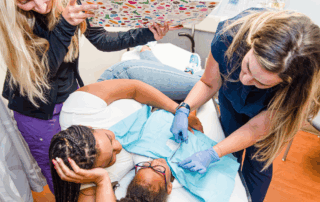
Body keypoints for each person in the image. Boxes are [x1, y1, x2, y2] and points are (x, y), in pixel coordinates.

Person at [0, 0, 177, 193]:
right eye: (26, 2)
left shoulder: (74, 2)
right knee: (62, 176)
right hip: (37, 113)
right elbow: (43, 73)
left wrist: (147, 34)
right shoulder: (14, 20)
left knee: (86, 170)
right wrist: (66, 26)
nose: (41, 7)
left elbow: (102, 40)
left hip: (70, 98)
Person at [166, 8, 320, 202]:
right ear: (252, 43)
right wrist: (184, 108)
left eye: (261, 82)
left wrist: (213, 153)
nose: (244, 79)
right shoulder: (228, 37)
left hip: (266, 118)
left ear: (287, 82)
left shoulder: (298, 88)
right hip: (231, 102)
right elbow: (208, 82)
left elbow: (256, 129)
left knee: (258, 163)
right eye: (247, 66)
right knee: (229, 155)